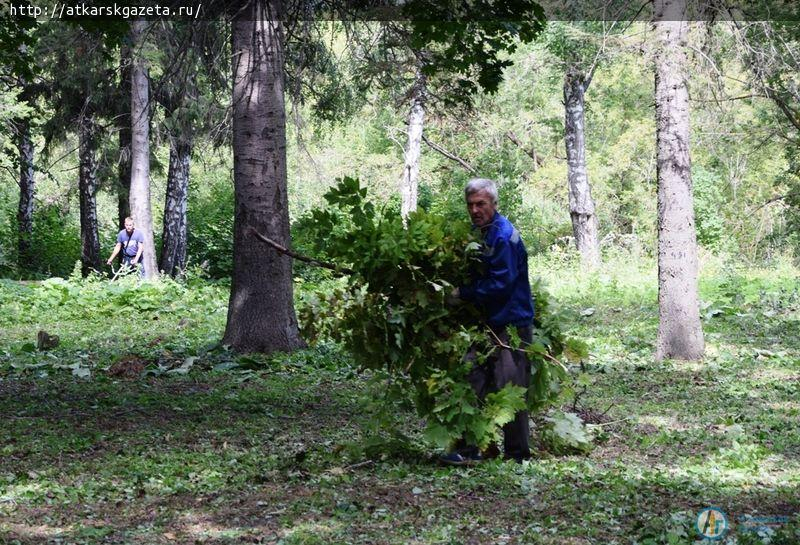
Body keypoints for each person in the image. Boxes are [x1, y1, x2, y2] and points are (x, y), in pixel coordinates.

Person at [441, 177, 535, 465]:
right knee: (473, 381)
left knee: (512, 391)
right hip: (487, 323)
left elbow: (501, 284)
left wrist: (463, 294)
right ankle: (471, 450)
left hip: (511, 324)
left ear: (494, 203)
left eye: (480, 204)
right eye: (470, 205)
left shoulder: (503, 237)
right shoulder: (480, 232)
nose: (474, 210)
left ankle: (517, 456)